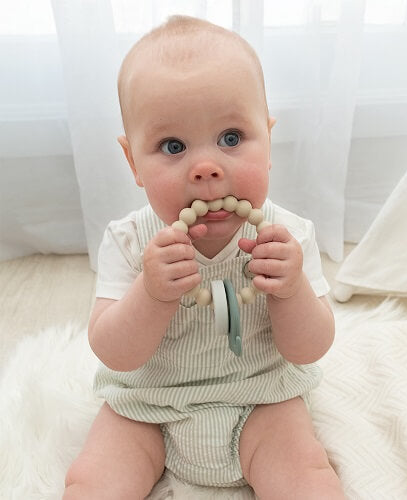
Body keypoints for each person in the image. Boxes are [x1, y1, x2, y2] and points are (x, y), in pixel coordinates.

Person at [64, 15, 343, 500]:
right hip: (147, 405)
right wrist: (150, 294)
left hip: (260, 399)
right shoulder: (131, 242)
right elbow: (113, 351)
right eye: (173, 146)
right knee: (90, 482)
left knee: (308, 477)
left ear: (269, 140)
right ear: (133, 163)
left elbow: (310, 349)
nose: (207, 169)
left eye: (232, 138)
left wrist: (292, 291)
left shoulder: (288, 238)